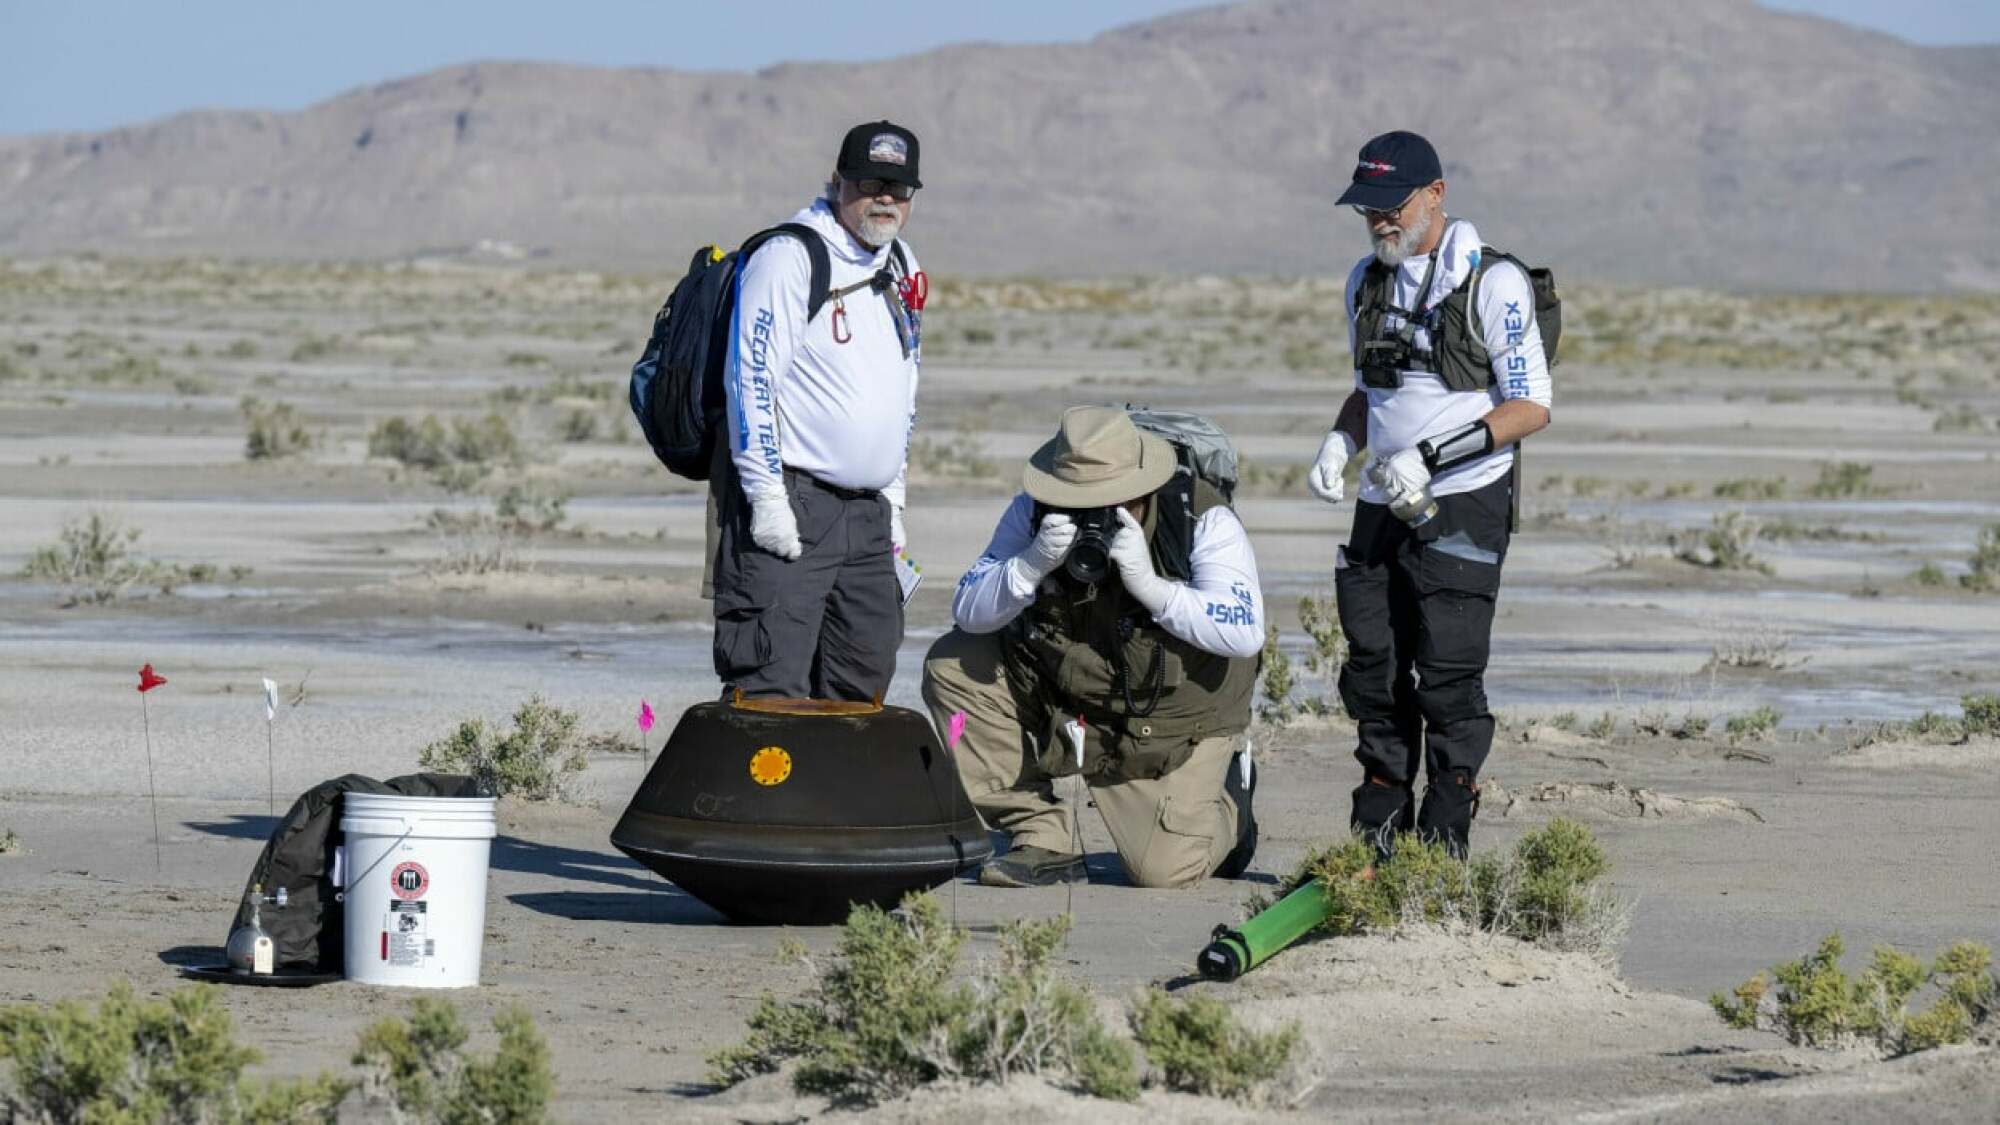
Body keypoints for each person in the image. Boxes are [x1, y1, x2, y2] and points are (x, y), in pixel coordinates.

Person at [1307, 130, 1553, 858]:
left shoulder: (1493, 283)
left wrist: (1432, 455)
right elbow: (1369, 392)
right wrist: (1340, 442)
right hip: (1383, 503)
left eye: (1392, 206)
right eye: (1367, 210)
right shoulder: (1365, 280)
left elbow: (1531, 405)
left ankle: (1443, 844)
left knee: (1447, 676)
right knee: (1374, 670)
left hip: (1464, 503)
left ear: (1435, 195)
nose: (1379, 221)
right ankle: (1377, 833)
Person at [922, 406, 1263, 889]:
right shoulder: (1033, 511)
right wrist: (1028, 565)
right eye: (1074, 501)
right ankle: (1039, 835)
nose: (1091, 516)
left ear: (1145, 488)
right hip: (1071, 691)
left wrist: (1153, 587)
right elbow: (969, 610)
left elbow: (1246, 629)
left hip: (1170, 720)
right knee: (954, 662)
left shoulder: (1200, 518)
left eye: (1111, 501)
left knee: (1163, 873)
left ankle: (1231, 800)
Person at [713, 121, 925, 701]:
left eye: (900, 188)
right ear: (838, 182)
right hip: (795, 501)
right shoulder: (790, 256)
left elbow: (904, 387)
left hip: (870, 517)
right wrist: (767, 502)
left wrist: (895, 503)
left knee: (863, 678)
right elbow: (749, 381)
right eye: (870, 182)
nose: (885, 198)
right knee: (771, 683)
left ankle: (838, 796)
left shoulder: (900, 262)